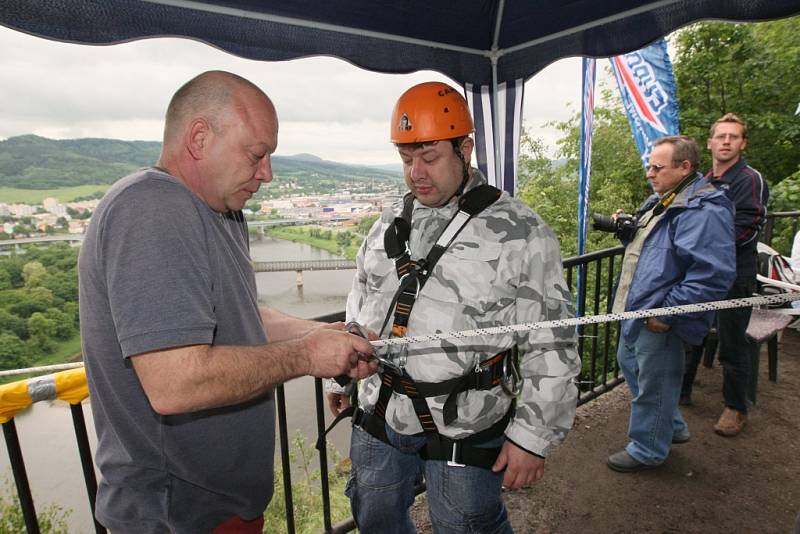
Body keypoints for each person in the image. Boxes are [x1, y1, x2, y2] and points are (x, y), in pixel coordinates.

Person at [78, 71, 377, 534]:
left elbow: (239, 315)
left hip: (222, 505)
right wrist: (306, 356)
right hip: (177, 514)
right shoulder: (152, 208)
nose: (267, 173)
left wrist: (318, 333)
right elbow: (176, 384)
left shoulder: (221, 212)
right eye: (257, 155)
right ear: (199, 137)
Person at [324, 81, 581, 533]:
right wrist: (342, 374)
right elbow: (360, 303)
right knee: (374, 514)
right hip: (379, 410)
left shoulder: (520, 233)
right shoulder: (389, 224)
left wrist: (532, 438)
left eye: (429, 157)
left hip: (466, 421)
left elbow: (552, 342)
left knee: (465, 523)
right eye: (406, 159)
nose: (416, 173)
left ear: (466, 149)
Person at [607, 136, 736, 473]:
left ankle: (648, 448)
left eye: (657, 167)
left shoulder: (704, 209)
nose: (650, 173)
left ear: (684, 167)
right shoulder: (664, 200)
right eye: (650, 166)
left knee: (655, 380)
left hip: (659, 314)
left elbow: (711, 274)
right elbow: (653, 248)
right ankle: (671, 426)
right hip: (639, 308)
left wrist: (669, 311)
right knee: (632, 364)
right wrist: (626, 232)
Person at [680, 113, 769, 437]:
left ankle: (736, 407)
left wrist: (702, 247)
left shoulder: (749, 180)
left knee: (733, 343)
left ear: (742, 143)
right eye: (721, 136)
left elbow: (748, 225)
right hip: (702, 275)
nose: (726, 141)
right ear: (710, 142)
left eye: (733, 136)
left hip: (735, 276)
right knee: (691, 334)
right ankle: (681, 392)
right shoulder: (703, 181)